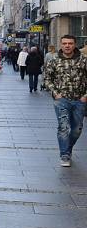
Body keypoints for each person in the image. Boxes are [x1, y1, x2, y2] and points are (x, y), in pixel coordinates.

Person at [44, 35, 87, 167]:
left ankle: (67, 148)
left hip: (79, 100)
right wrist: (55, 93)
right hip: (61, 100)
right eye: (64, 43)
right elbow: (47, 78)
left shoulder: (83, 60)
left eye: (70, 43)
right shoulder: (54, 60)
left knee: (77, 129)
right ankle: (64, 155)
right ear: (61, 45)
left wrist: (85, 95)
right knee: (64, 127)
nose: (67, 46)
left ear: (75, 45)